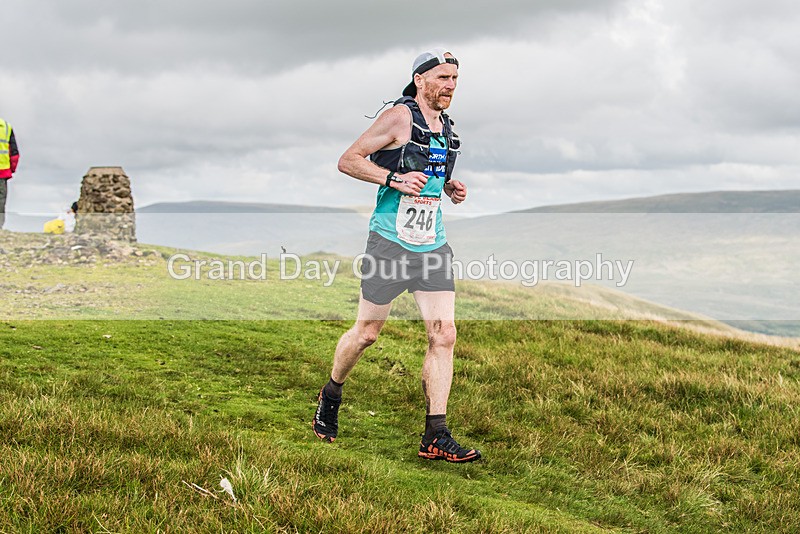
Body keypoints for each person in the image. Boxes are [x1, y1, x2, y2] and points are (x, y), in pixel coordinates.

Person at [312, 48, 480, 463]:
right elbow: (348, 160)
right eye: (442, 78)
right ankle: (332, 392)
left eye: (455, 79)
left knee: (444, 334)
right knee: (367, 334)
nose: (450, 86)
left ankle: (435, 435)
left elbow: (429, 176)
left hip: (432, 245)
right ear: (420, 80)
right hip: (389, 242)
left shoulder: (446, 128)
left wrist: (448, 188)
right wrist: (392, 178)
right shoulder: (399, 117)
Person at [0, 117, 21, 230]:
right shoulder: (6, 127)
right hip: (2, 173)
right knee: (0, 202)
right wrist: (11, 169)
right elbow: (14, 153)